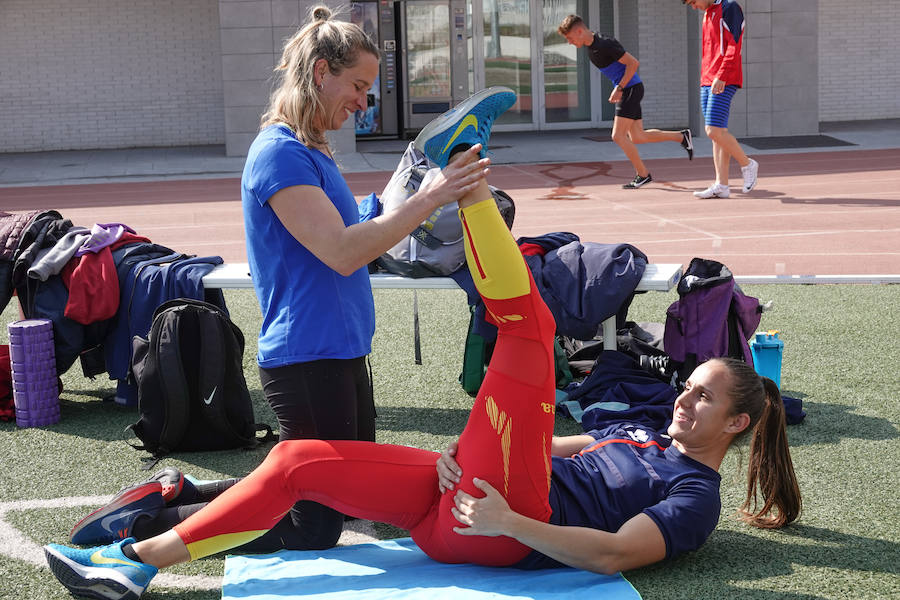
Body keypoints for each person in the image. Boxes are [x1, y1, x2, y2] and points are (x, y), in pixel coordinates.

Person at [44, 91, 802, 600]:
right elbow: (558, 444)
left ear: (736, 424)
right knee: (296, 460)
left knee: (530, 330)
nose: (683, 395)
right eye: (689, 383)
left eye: (702, 395)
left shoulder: (696, 497)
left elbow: (612, 556)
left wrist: (511, 524)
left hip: (501, 529)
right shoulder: (639, 435)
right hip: (464, 498)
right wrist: (464, 454)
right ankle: (135, 569)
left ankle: (465, 180)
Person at [63, 5, 499, 556]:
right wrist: (431, 195)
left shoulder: (313, 149)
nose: (365, 102)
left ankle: (182, 492)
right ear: (322, 72)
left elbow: (352, 231)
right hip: (307, 357)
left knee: (353, 493)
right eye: (359, 85)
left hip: (338, 349)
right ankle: (143, 528)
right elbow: (342, 252)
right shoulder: (279, 153)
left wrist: (410, 195)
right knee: (313, 526)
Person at [558, 14, 694, 190]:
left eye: (569, 38)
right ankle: (681, 137)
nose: (569, 42)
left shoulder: (605, 44)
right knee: (638, 137)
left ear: (579, 31)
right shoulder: (590, 45)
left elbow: (633, 63)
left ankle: (643, 174)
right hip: (629, 89)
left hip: (630, 89)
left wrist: (620, 87)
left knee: (618, 136)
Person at [683, 0, 759, 198]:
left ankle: (747, 164)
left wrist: (722, 75)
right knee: (718, 133)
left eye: (693, 2)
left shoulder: (730, 8)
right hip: (708, 79)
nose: (693, 7)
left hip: (724, 79)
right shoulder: (708, 13)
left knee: (712, 130)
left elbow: (734, 45)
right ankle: (722, 185)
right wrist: (706, 78)